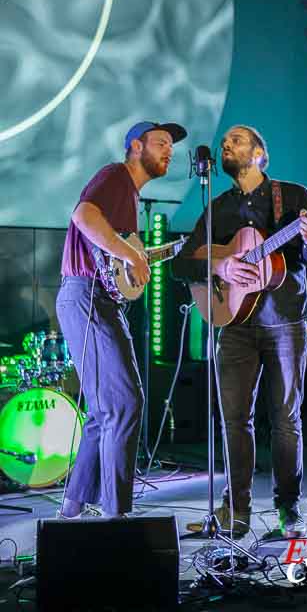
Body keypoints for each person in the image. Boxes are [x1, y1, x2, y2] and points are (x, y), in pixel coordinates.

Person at [172, 125, 307, 537]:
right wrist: (219, 266)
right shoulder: (218, 206)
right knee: (234, 420)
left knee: (285, 420)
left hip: (286, 322)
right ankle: (236, 510)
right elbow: (180, 264)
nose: (227, 144)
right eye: (225, 142)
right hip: (235, 326)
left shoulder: (293, 198)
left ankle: (287, 510)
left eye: (237, 140)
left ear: (260, 153)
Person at [56, 120, 187, 518]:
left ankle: (72, 507)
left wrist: (136, 259)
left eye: (171, 146)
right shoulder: (115, 176)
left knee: (104, 410)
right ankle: (116, 514)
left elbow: (114, 260)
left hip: (98, 301)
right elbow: (83, 216)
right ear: (136, 146)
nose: (169, 150)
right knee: (127, 402)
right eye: (161, 142)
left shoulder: (128, 195)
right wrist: (132, 255)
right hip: (86, 297)